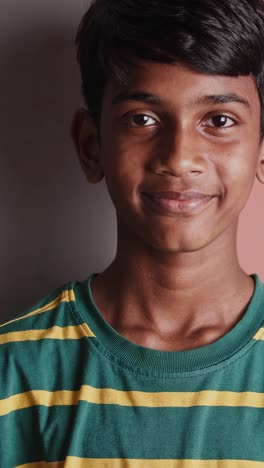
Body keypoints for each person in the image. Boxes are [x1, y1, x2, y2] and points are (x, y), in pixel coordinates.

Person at [1, 0, 264, 466]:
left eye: (219, 121)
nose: (180, 157)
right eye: (142, 119)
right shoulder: (14, 370)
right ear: (91, 146)